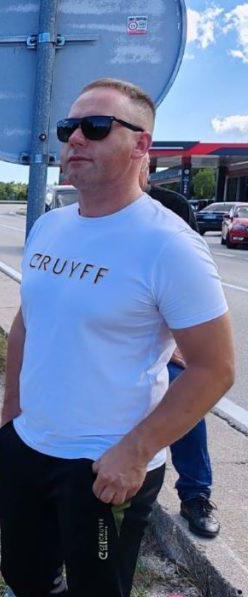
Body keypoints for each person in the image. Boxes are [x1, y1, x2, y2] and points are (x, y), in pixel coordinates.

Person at [0, 78, 234, 597]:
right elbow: (27, 323)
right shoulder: (50, 227)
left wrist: (136, 450)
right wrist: (10, 418)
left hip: (106, 470)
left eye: (97, 127)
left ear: (141, 144)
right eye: (68, 128)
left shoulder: (169, 244)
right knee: (23, 573)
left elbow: (214, 368)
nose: (76, 138)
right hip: (29, 445)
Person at [140, 158, 218, 538]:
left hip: (161, 339)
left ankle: (195, 494)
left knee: (183, 389)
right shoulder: (89, 208)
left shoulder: (171, 209)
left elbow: (187, 285)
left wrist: (174, 345)